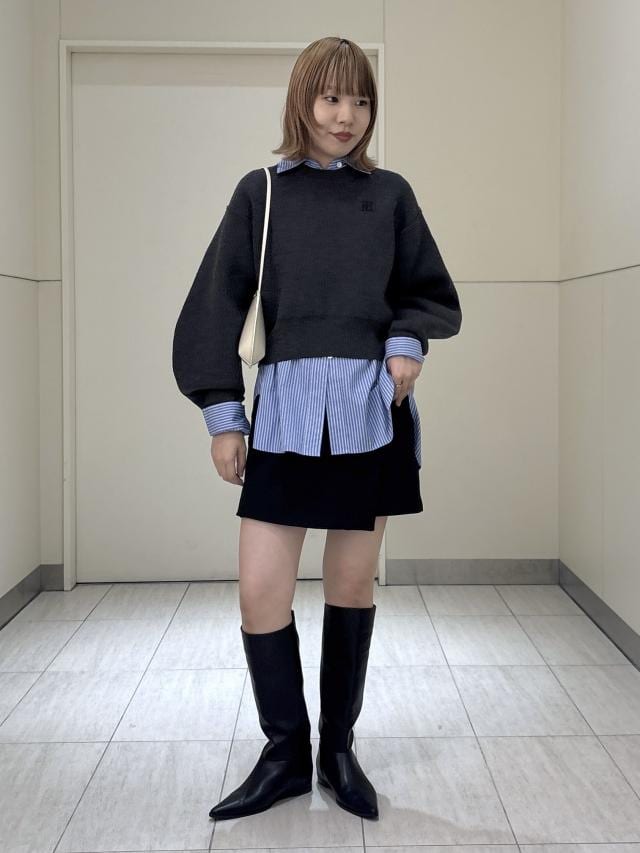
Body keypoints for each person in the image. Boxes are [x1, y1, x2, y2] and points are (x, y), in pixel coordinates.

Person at [172, 36, 462, 822]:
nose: (347, 116)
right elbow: (215, 303)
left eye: (361, 100)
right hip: (285, 418)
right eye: (332, 97)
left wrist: (406, 342)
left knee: (352, 585)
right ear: (302, 100)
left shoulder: (390, 195)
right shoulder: (261, 193)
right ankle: (284, 754)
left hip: (370, 413)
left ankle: (337, 749)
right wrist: (223, 414)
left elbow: (427, 292)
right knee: (261, 590)